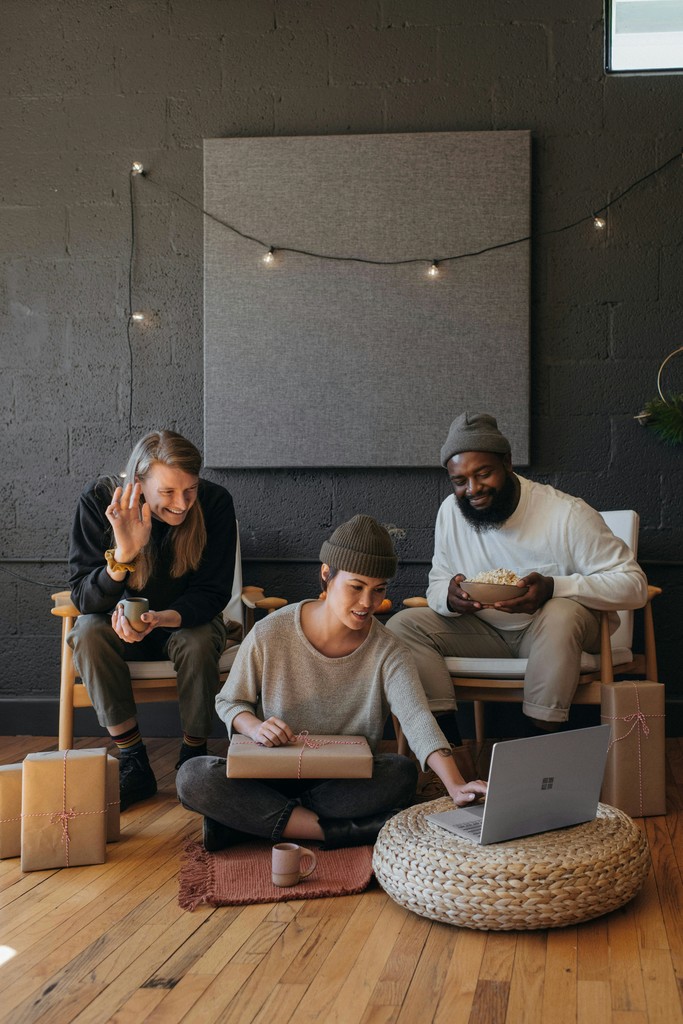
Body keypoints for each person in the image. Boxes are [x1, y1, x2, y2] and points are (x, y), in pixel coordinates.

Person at [176, 515, 487, 851]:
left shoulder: (389, 650)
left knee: (399, 773)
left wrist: (455, 785)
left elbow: (416, 718)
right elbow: (228, 701)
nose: (368, 603)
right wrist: (253, 727)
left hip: (341, 782)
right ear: (326, 575)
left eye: (378, 589)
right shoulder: (271, 632)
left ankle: (249, 826)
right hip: (268, 776)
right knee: (193, 776)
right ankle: (334, 832)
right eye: (356, 587)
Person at [386, 412, 649, 732]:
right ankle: (449, 749)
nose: (473, 489)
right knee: (403, 626)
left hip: (560, 633)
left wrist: (554, 587)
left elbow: (633, 585)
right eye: (460, 481)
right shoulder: (451, 513)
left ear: (508, 463)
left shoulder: (566, 514)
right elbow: (438, 580)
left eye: (483, 474)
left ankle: (541, 741)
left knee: (561, 611)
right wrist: (450, 597)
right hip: (485, 633)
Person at [68, 429, 238, 810]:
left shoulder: (214, 503)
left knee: (196, 641)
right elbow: (83, 596)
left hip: (184, 622)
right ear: (139, 483)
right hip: (119, 626)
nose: (182, 504)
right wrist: (125, 553)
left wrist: (167, 617)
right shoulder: (99, 502)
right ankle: (133, 760)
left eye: (190, 489)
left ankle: (192, 757)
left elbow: (213, 592)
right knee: (88, 633)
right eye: (168, 492)